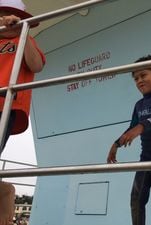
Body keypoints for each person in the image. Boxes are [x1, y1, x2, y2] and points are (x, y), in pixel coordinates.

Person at [107, 55, 151, 225]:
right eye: (136, 78)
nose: (139, 81)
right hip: (146, 158)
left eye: (143, 75)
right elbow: (131, 128)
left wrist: (142, 126)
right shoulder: (139, 105)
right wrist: (116, 144)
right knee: (136, 200)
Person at [0, 1, 45, 224]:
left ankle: (5, 192)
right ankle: (4, 189)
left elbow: (36, 65)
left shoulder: (23, 39)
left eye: (9, 15)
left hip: (4, 106)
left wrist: (23, 31)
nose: (5, 20)